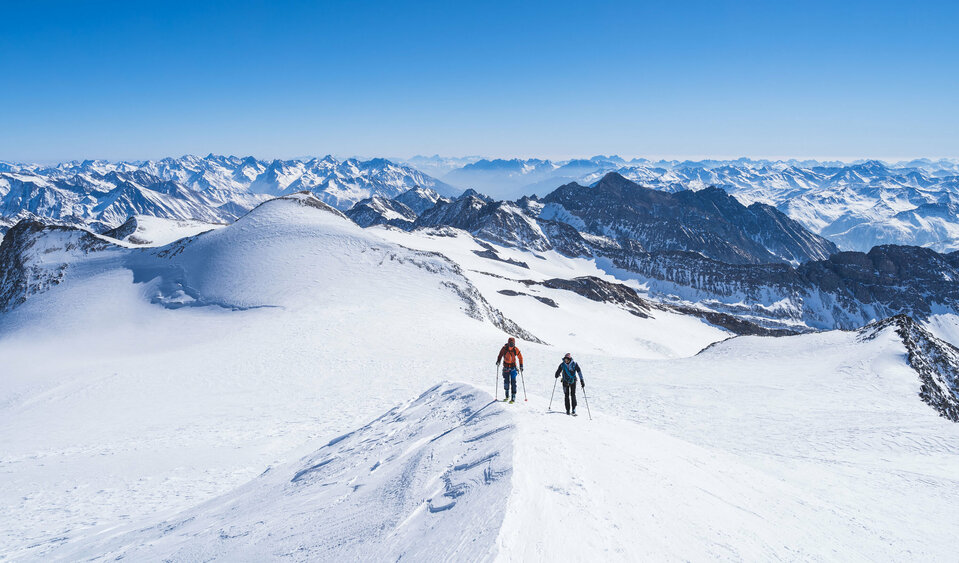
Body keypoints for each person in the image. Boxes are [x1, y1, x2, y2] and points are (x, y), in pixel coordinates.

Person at [495, 337, 524, 403]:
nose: (512, 345)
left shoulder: (515, 349)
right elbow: (500, 355)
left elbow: (520, 357)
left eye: (513, 344)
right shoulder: (504, 348)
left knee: (513, 382)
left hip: (513, 368)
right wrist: (498, 361)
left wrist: (521, 365)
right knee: (506, 382)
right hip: (506, 368)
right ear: (508, 343)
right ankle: (507, 396)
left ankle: (513, 397)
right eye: (511, 343)